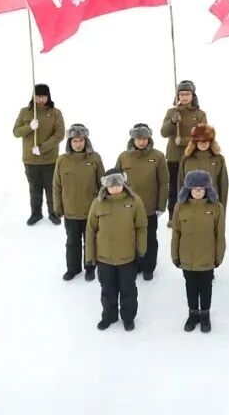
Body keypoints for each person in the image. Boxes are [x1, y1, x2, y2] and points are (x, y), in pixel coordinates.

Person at [85, 168, 148, 331]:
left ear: (123, 183)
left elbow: (141, 227)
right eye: (111, 185)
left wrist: (141, 249)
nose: (115, 188)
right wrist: (90, 256)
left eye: (118, 184)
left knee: (128, 290)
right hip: (104, 258)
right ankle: (109, 316)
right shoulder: (97, 203)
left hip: (127, 257)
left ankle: (128, 317)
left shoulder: (134, 201)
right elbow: (90, 231)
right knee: (107, 290)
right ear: (105, 185)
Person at [170, 170, 226, 334]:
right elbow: (175, 234)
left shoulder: (216, 207)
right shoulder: (180, 206)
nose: (198, 192)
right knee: (191, 287)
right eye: (195, 189)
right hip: (187, 257)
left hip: (207, 257)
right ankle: (193, 314)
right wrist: (175, 255)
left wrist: (219, 256)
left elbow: (220, 235)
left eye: (201, 189)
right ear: (188, 189)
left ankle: (205, 315)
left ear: (207, 189)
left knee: (206, 288)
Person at [115, 123, 169, 281]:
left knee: (149, 239)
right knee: (130, 238)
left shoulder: (158, 156)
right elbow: (116, 182)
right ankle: (134, 265)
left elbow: (164, 182)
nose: (141, 142)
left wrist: (161, 205)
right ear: (133, 139)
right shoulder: (123, 157)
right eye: (138, 138)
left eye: (145, 138)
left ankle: (148, 267)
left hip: (149, 207)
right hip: (128, 208)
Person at [52, 124, 105, 281]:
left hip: (91, 211)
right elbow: (56, 186)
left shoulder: (95, 158)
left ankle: (90, 268)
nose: (78, 144)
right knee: (72, 242)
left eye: (81, 140)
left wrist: (102, 206)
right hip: (71, 211)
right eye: (74, 141)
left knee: (90, 242)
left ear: (86, 140)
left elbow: (103, 184)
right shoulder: (62, 160)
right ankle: (72, 269)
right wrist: (58, 206)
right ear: (69, 142)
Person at [11, 83, 65, 226]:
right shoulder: (25, 112)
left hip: (50, 159)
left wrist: (42, 148)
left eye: (44, 96)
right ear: (33, 96)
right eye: (38, 96)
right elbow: (16, 132)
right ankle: (36, 213)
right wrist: (29, 127)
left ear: (48, 96)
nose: (41, 99)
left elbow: (59, 134)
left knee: (51, 188)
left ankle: (54, 213)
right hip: (31, 160)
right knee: (34, 189)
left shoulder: (56, 113)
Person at [160, 80, 208, 219]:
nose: (184, 97)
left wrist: (184, 141)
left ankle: (194, 214)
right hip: (174, 157)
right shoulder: (172, 112)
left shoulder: (200, 114)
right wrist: (172, 122)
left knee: (193, 186)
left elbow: (202, 136)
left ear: (193, 95)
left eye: (187, 94)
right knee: (174, 188)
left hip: (192, 157)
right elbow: (164, 133)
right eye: (181, 94)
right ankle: (173, 216)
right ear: (177, 96)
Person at [178, 124, 229, 209]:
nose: (203, 144)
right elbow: (181, 183)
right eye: (200, 141)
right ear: (195, 142)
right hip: (190, 206)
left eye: (206, 141)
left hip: (212, 205)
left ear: (211, 141)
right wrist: (180, 205)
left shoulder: (219, 159)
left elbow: (223, 185)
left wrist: (222, 209)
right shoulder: (186, 159)